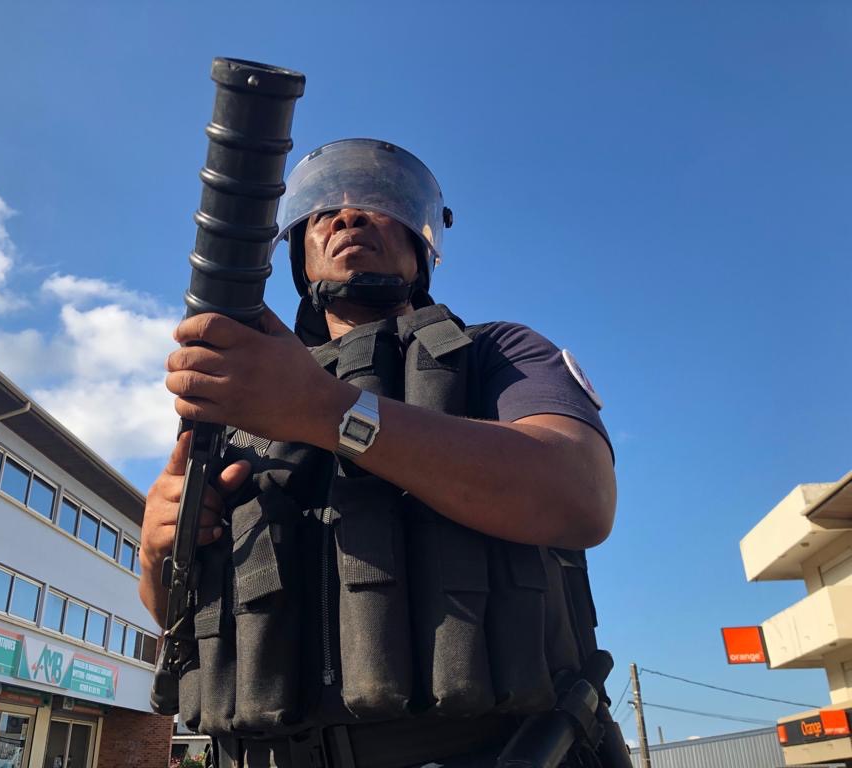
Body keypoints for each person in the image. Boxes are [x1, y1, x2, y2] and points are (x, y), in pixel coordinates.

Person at [141, 139, 617, 768]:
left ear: (422, 246)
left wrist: (324, 411)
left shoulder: (498, 353)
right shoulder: (245, 402)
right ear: (298, 256)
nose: (347, 217)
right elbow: (178, 612)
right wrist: (155, 549)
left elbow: (579, 492)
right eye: (321, 214)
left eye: (379, 203)